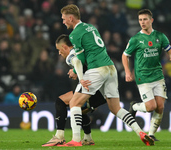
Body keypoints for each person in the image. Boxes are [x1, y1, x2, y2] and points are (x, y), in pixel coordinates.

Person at [59, 4, 154, 147]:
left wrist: (78, 75)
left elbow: (79, 59)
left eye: (64, 18)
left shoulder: (74, 34)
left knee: (74, 103)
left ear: (71, 18)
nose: (63, 21)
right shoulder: (91, 27)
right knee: (116, 108)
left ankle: (76, 140)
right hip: (110, 68)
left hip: (97, 69)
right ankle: (140, 132)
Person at [42, 34, 106, 147]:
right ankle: (87, 138)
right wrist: (76, 72)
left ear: (65, 47)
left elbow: (78, 62)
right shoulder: (82, 51)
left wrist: (79, 76)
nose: (59, 53)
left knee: (61, 101)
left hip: (92, 89)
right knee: (78, 108)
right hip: (101, 88)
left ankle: (59, 136)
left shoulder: (71, 55)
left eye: (59, 50)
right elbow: (86, 66)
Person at [122, 9, 171, 141]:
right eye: (140, 20)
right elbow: (125, 55)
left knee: (160, 106)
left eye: (145, 19)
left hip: (158, 75)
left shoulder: (161, 36)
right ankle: (134, 106)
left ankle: (151, 134)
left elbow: (169, 50)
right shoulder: (136, 39)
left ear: (151, 20)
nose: (142, 22)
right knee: (151, 107)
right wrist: (127, 71)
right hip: (143, 77)